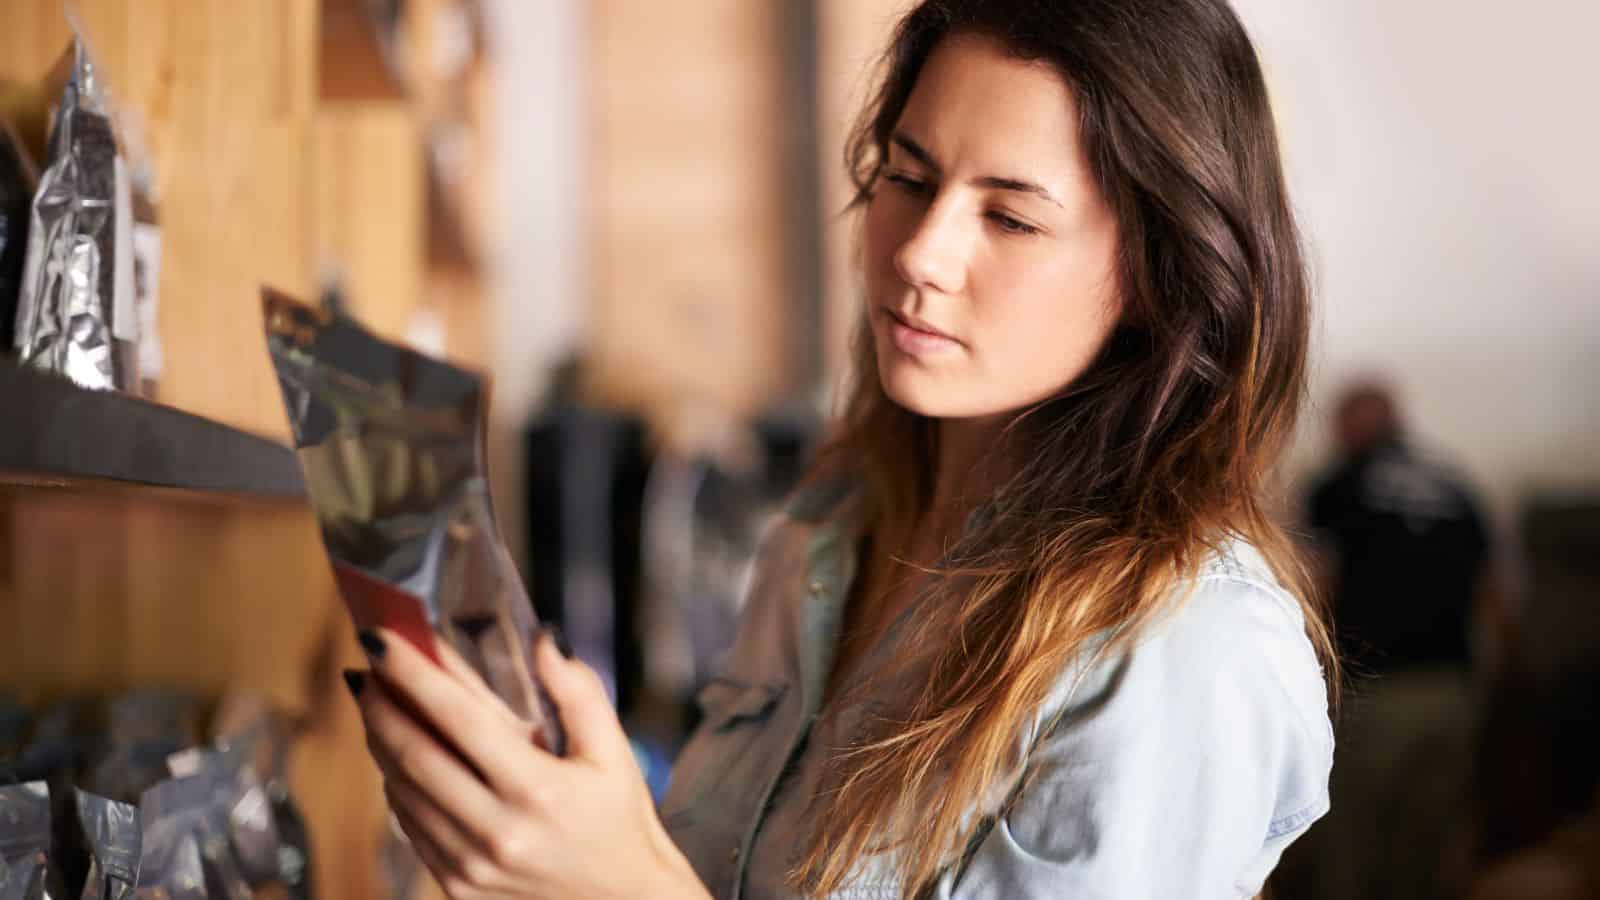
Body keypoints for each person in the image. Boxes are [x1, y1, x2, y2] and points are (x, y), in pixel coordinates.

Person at [338, 1, 1338, 897]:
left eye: (1008, 216)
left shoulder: (1184, 644)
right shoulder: (828, 531)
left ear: (1159, 277)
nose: (918, 252)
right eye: (908, 176)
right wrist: (536, 831)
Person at [1280, 380, 1493, 900]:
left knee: (1350, 844)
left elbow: (1314, 585)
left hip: (1373, 693)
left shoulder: (1338, 486)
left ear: (1352, 424)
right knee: (1427, 845)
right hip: (1450, 689)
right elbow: (1493, 592)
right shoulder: (1455, 484)